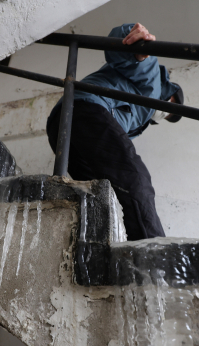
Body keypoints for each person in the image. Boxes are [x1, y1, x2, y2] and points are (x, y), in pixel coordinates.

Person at [46, 23, 184, 241]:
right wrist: (138, 41)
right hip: (88, 110)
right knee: (135, 180)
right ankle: (153, 254)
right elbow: (123, 52)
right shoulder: (154, 84)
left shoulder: (137, 120)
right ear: (169, 93)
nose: (164, 114)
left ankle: (99, 250)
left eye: (168, 117)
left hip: (62, 123)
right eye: (170, 108)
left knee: (99, 195)